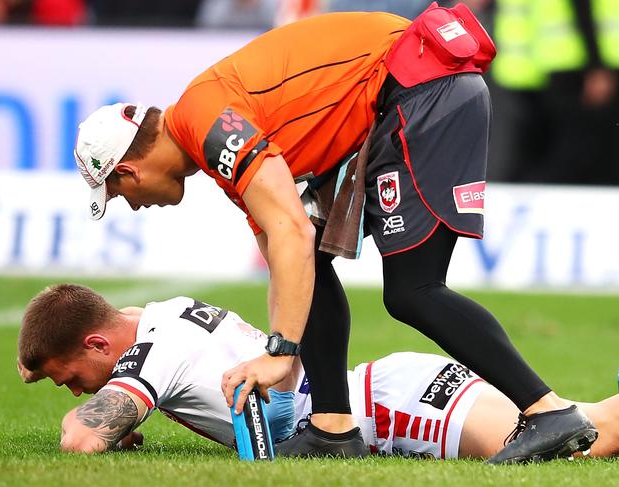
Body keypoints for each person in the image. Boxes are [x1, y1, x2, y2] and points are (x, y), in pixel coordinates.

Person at [71, 4, 596, 462]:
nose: (132, 206)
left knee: (413, 291)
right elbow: (285, 251)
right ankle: (331, 426)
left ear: (127, 171)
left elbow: (289, 229)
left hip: (419, 90)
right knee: (316, 263)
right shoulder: (206, 128)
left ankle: (548, 411)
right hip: (408, 91)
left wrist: (280, 353)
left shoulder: (208, 123)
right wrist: (284, 344)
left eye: (118, 195)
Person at [18, 284, 609, 460]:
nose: (73, 390)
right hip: (379, 397)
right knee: (583, 424)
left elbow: (83, 439)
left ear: (99, 343)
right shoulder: (160, 316)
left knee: (579, 442)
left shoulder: (154, 352)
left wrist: (90, 417)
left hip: (388, 406)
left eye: (67, 377)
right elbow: (119, 319)